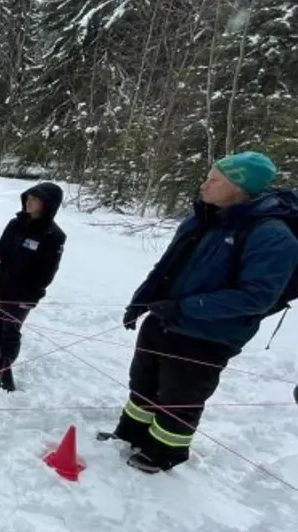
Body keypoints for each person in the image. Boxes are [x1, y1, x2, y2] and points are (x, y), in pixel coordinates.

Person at [108, 151, 298, 474]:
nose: (204, 185)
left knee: (179, 396)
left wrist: (184, 307)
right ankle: (129, 435)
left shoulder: (273, 236)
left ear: (238, 187)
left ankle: (164, 454)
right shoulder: (202, 218)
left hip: (208, 335)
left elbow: (256, 298)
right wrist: (140, 301)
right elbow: (168, 265)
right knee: (143, 381)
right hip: (163, 319)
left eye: (214, 180)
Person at [0, 183, 66, 392]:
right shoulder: (15, 223)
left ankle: (2, 368)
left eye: (35, 199)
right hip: (0, 285)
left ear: (47, 205)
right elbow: (2, 248)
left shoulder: (54, 236)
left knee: (10, 331)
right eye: (28, 197)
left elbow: (48, 272)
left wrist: (33, 295)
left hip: (22, 293)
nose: (29, 201)